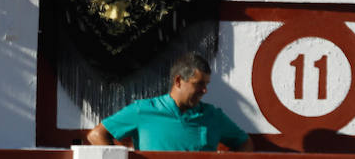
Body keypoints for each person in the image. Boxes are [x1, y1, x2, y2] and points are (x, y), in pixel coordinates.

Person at [87, 52, 251, 151]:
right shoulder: (143, 110)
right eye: (199, 84)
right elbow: (97, 135)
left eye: (206, 84)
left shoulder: (213, 116)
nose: (205, 91)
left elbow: (245, 143)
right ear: (178, 81)